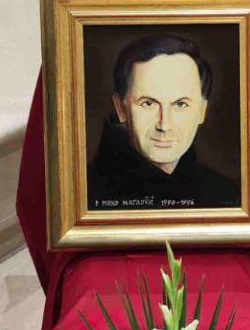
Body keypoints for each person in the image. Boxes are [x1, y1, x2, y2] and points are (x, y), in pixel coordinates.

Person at [86, 33, 240, 211]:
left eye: (180, 104)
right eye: (148, 103)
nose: (164, 125)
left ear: (202, 111)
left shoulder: (226, 194)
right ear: (121, 108)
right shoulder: (84, 193)